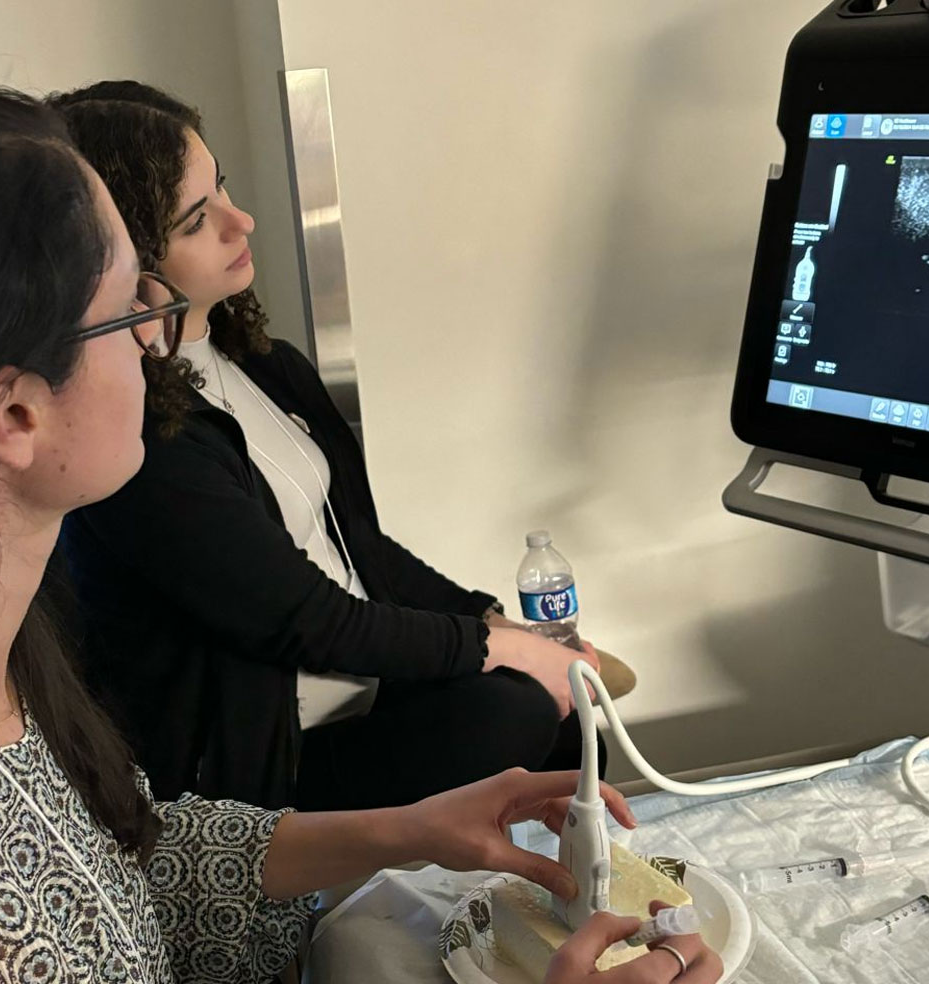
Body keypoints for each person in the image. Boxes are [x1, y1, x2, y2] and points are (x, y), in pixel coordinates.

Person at [0, 81, 719, 984]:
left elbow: (120, 876)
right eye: (131, 308)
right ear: (15, 414)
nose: (162, 339)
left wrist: (407, 827)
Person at [52, 80, 602, 813]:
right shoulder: (143, 439)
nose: (241, 221)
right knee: (520, 710)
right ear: (126, 260)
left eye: (222, 187)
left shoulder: (265, 364)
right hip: (266, 766)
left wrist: (495, 622)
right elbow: (306, 618)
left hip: (362, 692)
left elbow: (362, 550)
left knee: (568, 717)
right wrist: (500, 650)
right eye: (198, 220)